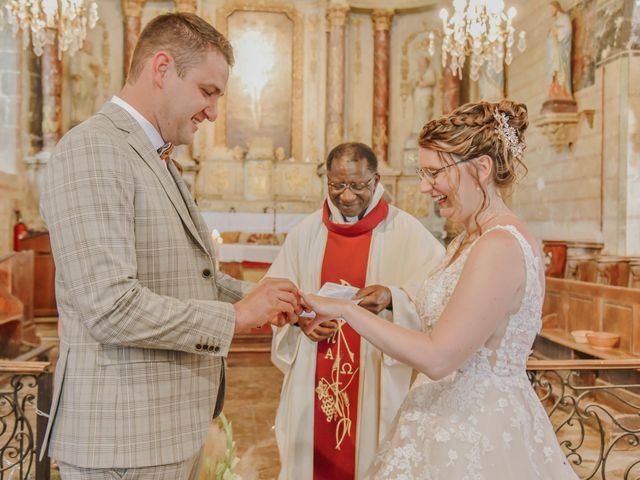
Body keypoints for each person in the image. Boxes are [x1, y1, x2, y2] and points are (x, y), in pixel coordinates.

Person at [39, 13, 299, 479]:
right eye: (207, 91)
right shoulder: (94, 149)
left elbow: (183, 277)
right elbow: (110, 305)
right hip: (123, 442)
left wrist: (266, 299)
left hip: (165, 429)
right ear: (162, 68)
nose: (214, 112)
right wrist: (237, 317)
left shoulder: (155, 157)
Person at [300, 101, 579, 479]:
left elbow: (438, 357)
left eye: (434, 173)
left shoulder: (499, 246)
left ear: (481, 169)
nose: (424, 186)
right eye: (423, 172)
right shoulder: (469, 240)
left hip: (476, 433)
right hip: (441, 419)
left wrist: (345, 310)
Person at [268, 142, 444, 479]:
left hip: (375, 372)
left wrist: (393, 297)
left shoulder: (406, 231)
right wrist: (300, 321)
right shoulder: (305, 234)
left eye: (357, 185)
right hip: (314, 373)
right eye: (337, 185)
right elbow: (276, 294)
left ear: (376, 180)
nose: (346, 196)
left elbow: (440, 291)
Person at [546, 1, 573, 99]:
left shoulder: (564, 18)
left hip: (560, 51)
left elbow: (567, 32)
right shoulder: (556, 21)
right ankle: (555, 88)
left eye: (551, 8)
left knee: (560, 70)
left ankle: (562, 89)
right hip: (554, 54)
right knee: (554, 71)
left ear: (556, 7)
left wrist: (556, 31)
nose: (550, 11)